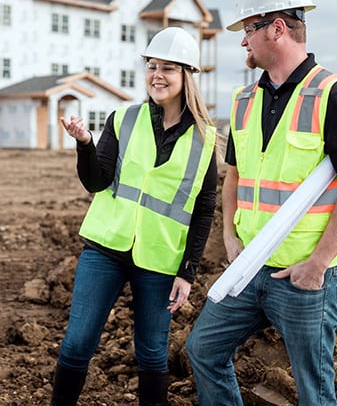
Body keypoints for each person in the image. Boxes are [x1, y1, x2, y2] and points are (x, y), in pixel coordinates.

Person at [186, 0, 337, 405]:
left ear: (277, 28)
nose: (243, 42)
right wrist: (230, 236)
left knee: (313, 389)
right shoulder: (243, 99)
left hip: (303, 276)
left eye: (248, 29)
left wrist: (318, 265)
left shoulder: (334, 95)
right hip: (249, 266)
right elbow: (233, 174)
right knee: (202, 349)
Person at [52, 27, 218, 406]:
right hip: (106, 248)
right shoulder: (124, 119)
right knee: (77, 344)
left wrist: (188, 272)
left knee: (152, 354)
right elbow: (97, 181)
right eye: (152, 66)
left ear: (187, 77)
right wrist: (85, 145)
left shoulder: (205, 139)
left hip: (160, 260)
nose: (157, 75)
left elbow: (204, 207)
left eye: (168, 69)